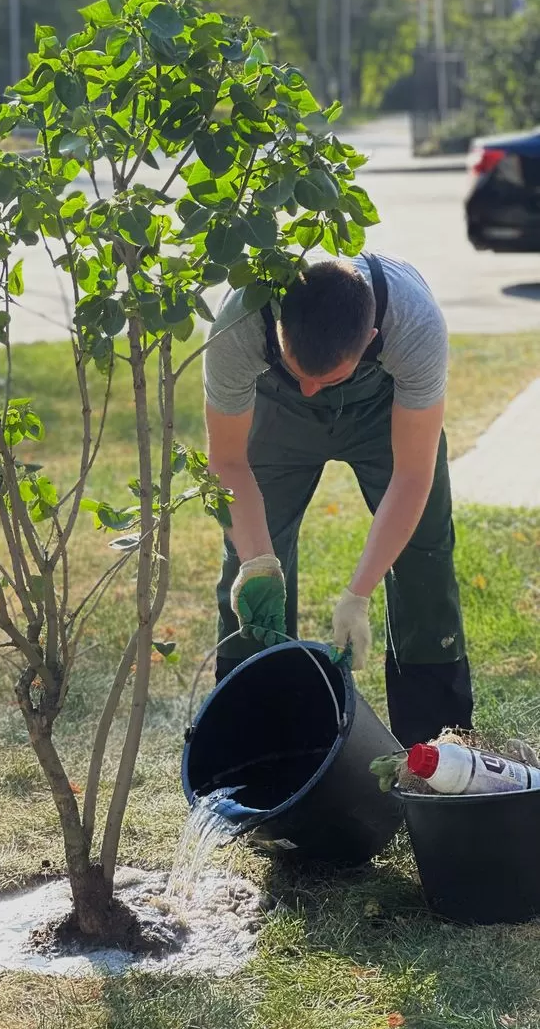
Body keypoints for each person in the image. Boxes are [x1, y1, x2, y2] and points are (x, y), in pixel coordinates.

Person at [203, 251, 474, 747]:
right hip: (273, 407)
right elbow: (227, 464)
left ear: (370, 339)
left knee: (424, 558)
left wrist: (358, 594)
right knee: (248, 567)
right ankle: (259, 742)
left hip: (384, 406)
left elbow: (414, 476)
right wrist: (259, 563)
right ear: (280, 325)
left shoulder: (413, 323)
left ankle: (434, 747)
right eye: (297, 368)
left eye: (324, 380)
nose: (309, 390)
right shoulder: (240, 322)